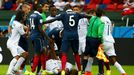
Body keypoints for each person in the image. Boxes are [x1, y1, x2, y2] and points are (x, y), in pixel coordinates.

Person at [43, 4, 91, 75]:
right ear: (71, 8)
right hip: (75, 36)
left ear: (65, 9)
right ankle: (80, 71)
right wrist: (96, 17)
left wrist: (43, 22)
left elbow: (53, 19)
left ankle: (62, 71)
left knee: (64, 53)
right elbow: (87, 16)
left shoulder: (64, 14)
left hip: (66, 36)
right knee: (76, 53)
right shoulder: (77, 14)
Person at [101, 9, 127, 75]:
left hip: (103, 41)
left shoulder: (99, 19)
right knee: (113, 60)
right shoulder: (108, 20)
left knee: (100, 58)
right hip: (110, 40)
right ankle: (123, 72)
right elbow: (110, 30)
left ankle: (104, 72)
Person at [28, 2, 51, 75]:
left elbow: (29, 27)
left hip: (32, 36)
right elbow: (40, 29)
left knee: (43, 52)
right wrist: (48, 38)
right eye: (41, 7)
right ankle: (33, 71)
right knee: (37, 54)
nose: (42, 9)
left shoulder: (31, 15)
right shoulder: (39, 16)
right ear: (38, 8)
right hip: (38, 37)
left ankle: (41, 71)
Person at [83, 8, 104, 75]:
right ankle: (101, 72)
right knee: (99, 55)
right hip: (95, 40)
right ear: (102, 15)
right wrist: (101, 42)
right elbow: (100, 34)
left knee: (86, 55)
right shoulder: (101, 22)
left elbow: (86, 16)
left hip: (88, 38)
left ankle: (83, 71)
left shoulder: (91, 18)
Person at [6, 10, 29, 75]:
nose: (25, 16)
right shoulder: (19, 25)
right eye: (24, 15)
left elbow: (18, 26)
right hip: (12, 44)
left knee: (25, 54)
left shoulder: (14, 22)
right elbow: (24, 36)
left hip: (12, 43)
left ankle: (15, 70)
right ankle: (8, 73)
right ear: (22, 16)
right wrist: (27, 30)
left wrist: (26, 28)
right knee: (16, 57)